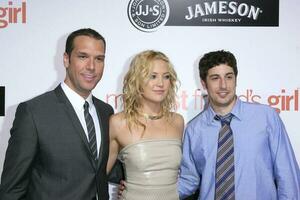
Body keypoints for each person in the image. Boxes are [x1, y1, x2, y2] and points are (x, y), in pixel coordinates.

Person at [0, 28, 114, 200]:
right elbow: (11, 190)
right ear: (66, 59)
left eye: (99, 59)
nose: (91, 66)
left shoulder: (106, 112)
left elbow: (106, 169)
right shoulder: (33, 113)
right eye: (83, 57)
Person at [178, 50, 300, 199]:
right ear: (204, 83)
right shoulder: (194, 129)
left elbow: (287, 176)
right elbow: (189, 180)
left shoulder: (266, 117)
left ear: (236, 79)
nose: (223, 85)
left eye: (229, 77)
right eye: (215, 78)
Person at [107, 50, 184, 200]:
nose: (161, 83)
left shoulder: (178, 122)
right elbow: (99, 176)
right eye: (152, 76)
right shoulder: (119, 123)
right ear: (137, 80)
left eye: (166, 76)